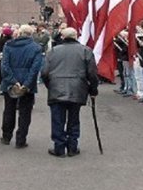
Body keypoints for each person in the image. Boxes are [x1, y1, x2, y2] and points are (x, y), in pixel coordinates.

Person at [41, 27, 99, 157]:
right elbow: (92, 73)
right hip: (77, 88)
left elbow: (44, 72)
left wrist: (50, 85)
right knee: (74, 119)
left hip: (56, 87)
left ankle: (59, 147)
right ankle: (73, 146)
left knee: (57, 120)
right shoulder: (85, 51)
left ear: (62, 37)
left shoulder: (53, 51)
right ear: (76, 36)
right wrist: (93, 90)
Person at [0, 24, 44, 148]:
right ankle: (21, 139)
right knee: (25, 112)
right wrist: (26, 83)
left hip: (9, 83)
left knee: (9, 110)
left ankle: (6, 136)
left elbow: (5, 65)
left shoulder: (8, 45)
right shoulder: (36, 48)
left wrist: (13, 81)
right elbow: (35, 69)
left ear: (19, 33)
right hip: (27, 83)